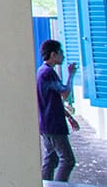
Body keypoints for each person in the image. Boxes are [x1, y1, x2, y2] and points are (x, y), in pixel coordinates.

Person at [38, 39, 79, 181]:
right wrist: (71, 75)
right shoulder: (48, 73)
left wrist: (68, 116)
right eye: (61, 53)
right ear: (53, 54)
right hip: (53, 124)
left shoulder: (42, 72)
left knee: (51, 159)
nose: (63, 56)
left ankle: (46, 183)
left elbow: (51, 100)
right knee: (67, 160)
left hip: (45, 123)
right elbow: (65, 93)